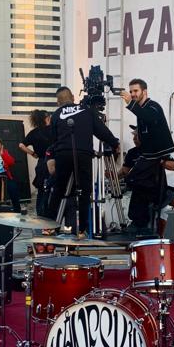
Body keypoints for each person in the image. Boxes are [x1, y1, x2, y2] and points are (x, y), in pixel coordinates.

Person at [47, 86, 119, 237]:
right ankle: (82, 229)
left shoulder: (56, 114)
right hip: (83, 154)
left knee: (59, 189)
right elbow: (101, 131)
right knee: (85, 191)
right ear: (73, 97)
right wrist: (114, 143)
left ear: (58, 102)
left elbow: (52, 140)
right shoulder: (87, 111)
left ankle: (49, 224)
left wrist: (51, 157)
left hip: (63, 154)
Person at [123, 126, 174, 236]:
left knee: (155, 221)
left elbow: (173, 166)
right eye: (134, 136)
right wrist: (112, 175)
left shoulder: (158, 151)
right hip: (139, 191)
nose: (134, 139)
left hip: (156, 192)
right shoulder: (132, 152)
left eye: (137, 136)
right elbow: (125, 171)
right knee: (137, 218)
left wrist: (159, 160)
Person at [19, 109, 53, 216]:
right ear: (46, 118)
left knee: (41, 190)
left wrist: (32, 153)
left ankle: (40, 214)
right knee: (53, 189)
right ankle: (51, 215)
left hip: (41, 163)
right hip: (53, 162)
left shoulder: (34, 133)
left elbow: (21, 145)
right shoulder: (53, 130)